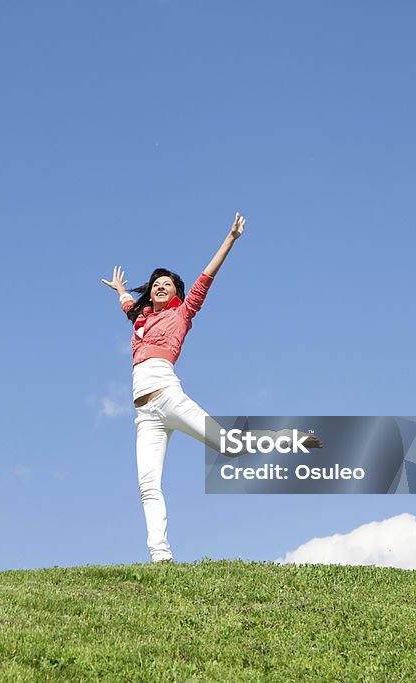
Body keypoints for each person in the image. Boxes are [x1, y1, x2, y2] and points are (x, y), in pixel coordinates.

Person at [102, 212, 318, 563]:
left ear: (176, 293)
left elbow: (207, 276)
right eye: (156, 282)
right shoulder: (140, 318)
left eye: (167, 284)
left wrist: (230, 239)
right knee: (147, 484)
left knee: (229, 447)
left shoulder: (182, 313)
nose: (159, 286)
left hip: (169, 398)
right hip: (145, 415)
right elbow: (128, 305)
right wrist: (123, 290)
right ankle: (161, 556)